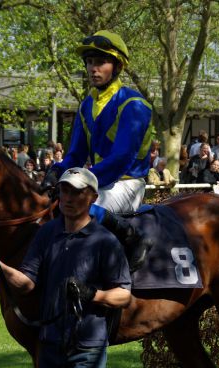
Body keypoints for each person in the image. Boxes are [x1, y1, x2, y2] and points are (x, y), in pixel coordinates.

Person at [0, 167, 131, 368]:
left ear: (93, 198)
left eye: (77, 192)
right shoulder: (46, 233)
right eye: (64, 191)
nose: (68, 198)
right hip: (49, 343)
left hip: (87, 347)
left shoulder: (106, 242)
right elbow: (27, 284)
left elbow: (124, 296)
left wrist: (92, 294)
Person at [43, 30, 153, 271]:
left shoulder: (134, 105)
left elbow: (121, 160)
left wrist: (81, 182)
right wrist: (57, 172)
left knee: (78, 206)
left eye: (100, 62)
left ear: (117, 66)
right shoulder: (86, 105)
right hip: (99, 182)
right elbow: (75, 154)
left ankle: (132, 238)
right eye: (90, 62)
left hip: (128, 183)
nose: (93, 68)